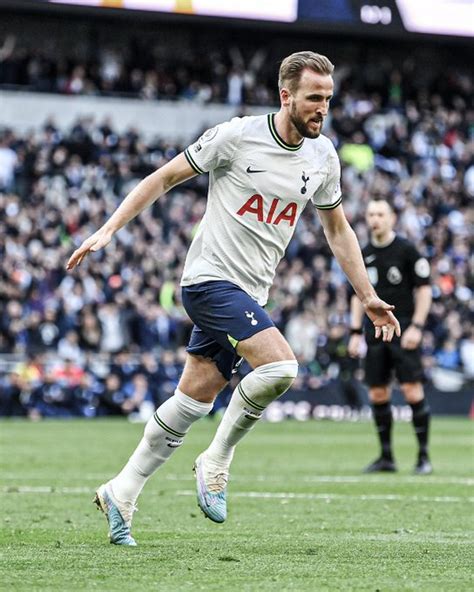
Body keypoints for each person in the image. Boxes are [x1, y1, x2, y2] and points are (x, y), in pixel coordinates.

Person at [66, 51, 400, 546]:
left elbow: (337, 229)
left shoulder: (322, 156)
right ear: (285, 96)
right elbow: (164, 177)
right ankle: (216, 460)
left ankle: (122, 490)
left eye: (328, 100)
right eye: (313, 98)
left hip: (250, 291)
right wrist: (109, 230)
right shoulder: (237, 136)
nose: (322, 109)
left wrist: (367, 295)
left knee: (191, 402)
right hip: (208, 281)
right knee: (280, 368)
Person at [348, 198, 432, 475]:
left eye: (381, 214)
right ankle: (387, 457)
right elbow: (357, 297)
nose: (375, 219)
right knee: (377, 392)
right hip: (374, 332)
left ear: (392, 218)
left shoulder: (407, 251)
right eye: (371, 213)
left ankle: (423, 457)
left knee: (411, 389)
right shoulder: (363, 254)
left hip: (404, 327)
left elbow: (424, 290)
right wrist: (355, 332)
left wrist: (417, 327)